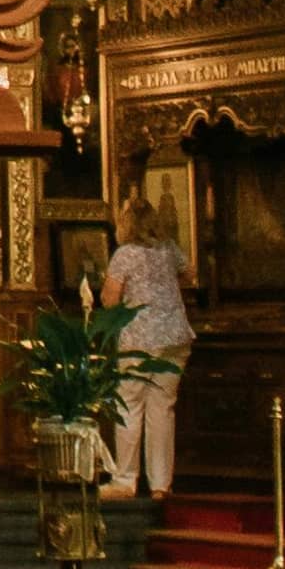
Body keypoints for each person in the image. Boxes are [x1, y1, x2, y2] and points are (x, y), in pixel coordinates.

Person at [102, 180, 195, 497]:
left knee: (129, 406)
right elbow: (190, 273)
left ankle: (125, 480)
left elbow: (110, 299)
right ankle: (160, 485)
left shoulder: (124, 255)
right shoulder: (168, 249)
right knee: (162, 410)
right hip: (175, 337)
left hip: (140, 340)